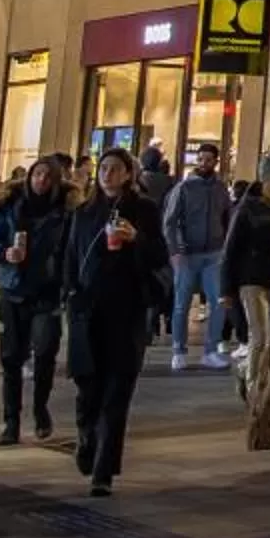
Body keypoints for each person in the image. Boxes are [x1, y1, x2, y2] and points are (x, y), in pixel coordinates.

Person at [65, 148, 168, 496]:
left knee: (117, 394)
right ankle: (86, 438)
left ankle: (104, 472)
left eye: (115, 169)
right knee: (88, 390)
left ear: (128, 174)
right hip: (88, 311)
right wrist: (70, 295)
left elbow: (158, 255)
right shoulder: (84, 213)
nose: (107, 175)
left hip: (127, 311)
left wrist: (135, 238)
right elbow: (70, 257)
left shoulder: (144, 211)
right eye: (103, 169)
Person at [0, 154, 72, 444]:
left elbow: (72, 248)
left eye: (48, 176)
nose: (41, 180)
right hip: (13, 289)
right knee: (11, 358)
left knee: (45, 352)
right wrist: (3, 253)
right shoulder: (9, 205)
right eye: (37, 174)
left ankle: (40, 408)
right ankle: (11, 421)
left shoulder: (65, 211)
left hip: (47, 292)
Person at [161, 139, 233, 371]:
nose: (204, 163)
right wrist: (175, 250)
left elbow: (227, 217)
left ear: (216, 162)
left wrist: (225, 246)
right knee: (181, 304)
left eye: (209, 159)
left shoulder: (220, 189)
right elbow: (170, 222)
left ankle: (210, 350)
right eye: (201, 159)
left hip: (213, 253)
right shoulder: (184, 188)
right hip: (187, 254)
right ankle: (179, 350)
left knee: (218, 303)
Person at [223, 156, 270, 378]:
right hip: (251, 279)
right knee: (258, 335)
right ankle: (252, 383)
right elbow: (231, 248)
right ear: (266, 178)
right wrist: (226, 288)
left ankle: (249, 372)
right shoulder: (248, 209)